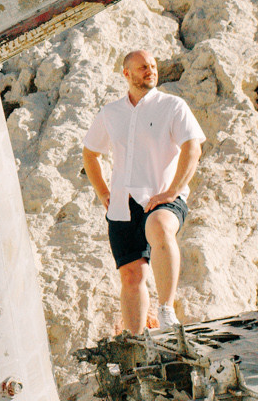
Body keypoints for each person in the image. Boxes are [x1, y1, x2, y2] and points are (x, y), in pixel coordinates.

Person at [81, 49, 204, 335]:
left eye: (153, 66)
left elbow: (192, 147)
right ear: (126, 74)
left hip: (161, 197)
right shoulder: (110, 113)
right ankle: (135, 339)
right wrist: (102, 192)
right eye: (143, 67)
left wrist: (173, 190)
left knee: (159, 226)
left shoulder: (173, 106)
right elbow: (90, 153)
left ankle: (166, 310)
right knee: (131, 276)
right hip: (122, 205)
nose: (150, 71)